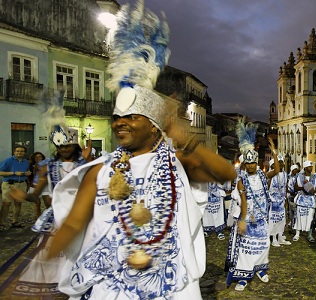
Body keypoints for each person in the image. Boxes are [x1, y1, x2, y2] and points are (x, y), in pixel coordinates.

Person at [45, 2, 237, 298]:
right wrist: (42, 265)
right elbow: (73, 223)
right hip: (112, 288)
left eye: (130, 117)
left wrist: (184, 138)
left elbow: (225, 173)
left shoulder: (178, 164)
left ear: (153, 125)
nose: (119, 124)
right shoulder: (99, 170)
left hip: (169, 284)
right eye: (116, 118)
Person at [10, 102, 93, 298]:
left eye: (68, 145)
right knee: (54, 257)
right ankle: (56, 288)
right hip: (57, 217)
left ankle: (79, 286)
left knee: (81, 253)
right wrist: (23, 195)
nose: (64, 149)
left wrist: (88, 161)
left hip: (83, 216)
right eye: (60, 145)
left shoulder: (88, 165)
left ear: (75, 146)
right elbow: (35, 194)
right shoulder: (47, 167)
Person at [225, 120, 279, 291]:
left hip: (262, 219)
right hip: (249, 219)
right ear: (245, 165)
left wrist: (275, 153)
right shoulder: (242, 181)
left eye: (253, 163)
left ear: (257, 163)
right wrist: (242, 219)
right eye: (248, 164)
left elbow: (276, 171)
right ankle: (244, 275)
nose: (250, 166)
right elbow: (245, 202)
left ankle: (260, 269)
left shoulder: (263, 177)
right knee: (246, 247)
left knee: (263, 246)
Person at [0, 145, 31, 230]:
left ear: (24, 153)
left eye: (21, 151)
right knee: (6, 203)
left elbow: (26, 171)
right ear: (14, 152)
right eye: (17, 151)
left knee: (18, 203)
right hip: (9, 184)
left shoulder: (25, 162)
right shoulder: (8, 161)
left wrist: (27, 173)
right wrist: (13, 173)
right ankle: (1, 223)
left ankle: (15, 221)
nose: (19, 153)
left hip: (21, 184)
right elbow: (1, 172)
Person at [268, 156, 291, 247]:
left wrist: (285, 198)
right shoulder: (271, 174)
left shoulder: (285, 174)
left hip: (281, 200)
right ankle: (274, 239)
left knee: (282, 220)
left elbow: (285, 187)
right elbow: (268, 187)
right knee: (274, 220)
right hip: (273, 201)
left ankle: (280, 237)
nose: (280, 164)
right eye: (278, 162)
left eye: (281, 162)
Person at [292, 161, 316, 242]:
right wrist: (303, 187)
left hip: (310, 200)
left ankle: (310, 235)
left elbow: (314, 190)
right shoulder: (299, 177)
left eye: (311, 166)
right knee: (299, 217)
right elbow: (295, 188)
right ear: (305, 168)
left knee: (310, 218)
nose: (311, 168)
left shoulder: (314, 177)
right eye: (309, 167)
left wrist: (308, 185)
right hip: (301, 200)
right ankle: (297, 234)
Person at [28, 151, 49, 218]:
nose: (38, 158)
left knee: (48, 203)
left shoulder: (46, 164)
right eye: (36, 157)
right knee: (37, 203)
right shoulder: (31, 165)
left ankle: (48, 217)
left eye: (40, 156)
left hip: (45, 185)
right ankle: (37, 217)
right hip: (34, 184)